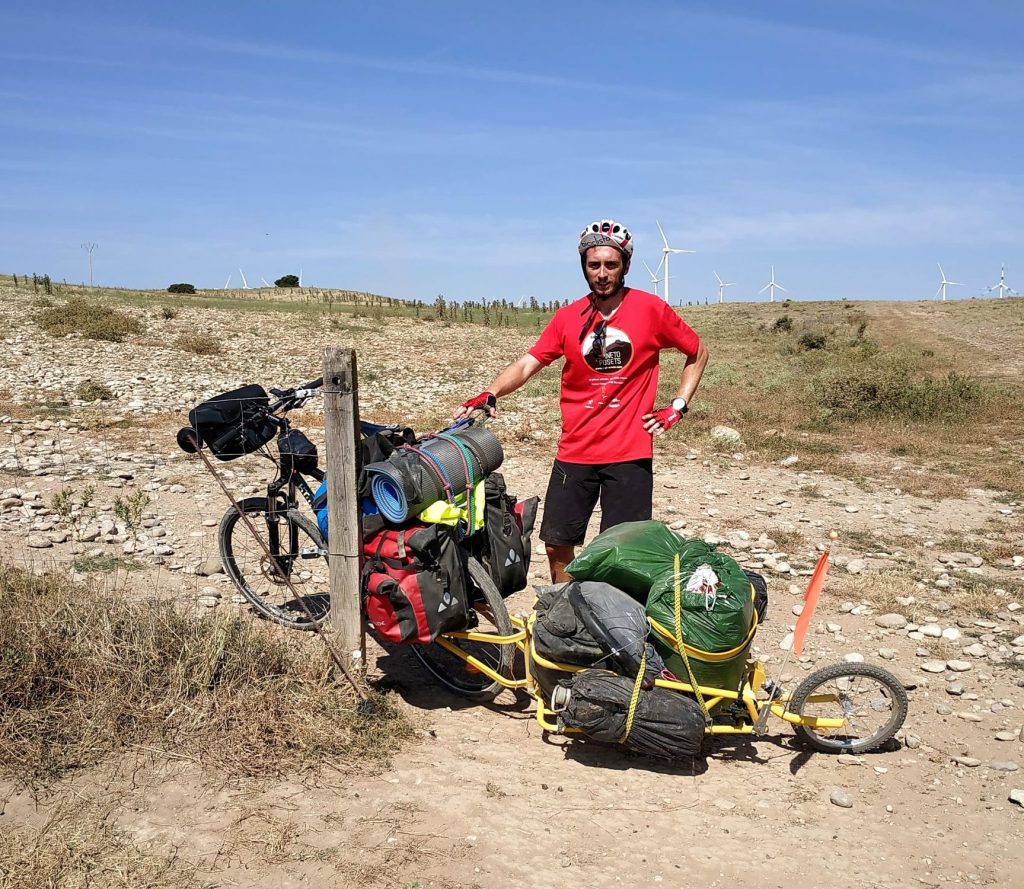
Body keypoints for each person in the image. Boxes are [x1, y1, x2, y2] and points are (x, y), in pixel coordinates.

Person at [456, 219, 709, 581]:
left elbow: (697, 351)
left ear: (625, 265)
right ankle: (565, 611)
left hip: (630, 454)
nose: (602, 273)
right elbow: (529, 363)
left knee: (623, 550)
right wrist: (492, 391)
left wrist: (677, 407)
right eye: (594, 265)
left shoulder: (651, 309)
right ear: (583, 266)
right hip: (575, 451)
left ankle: (615, 622)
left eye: (611, 264)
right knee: (557, 543)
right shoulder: (567, 317)